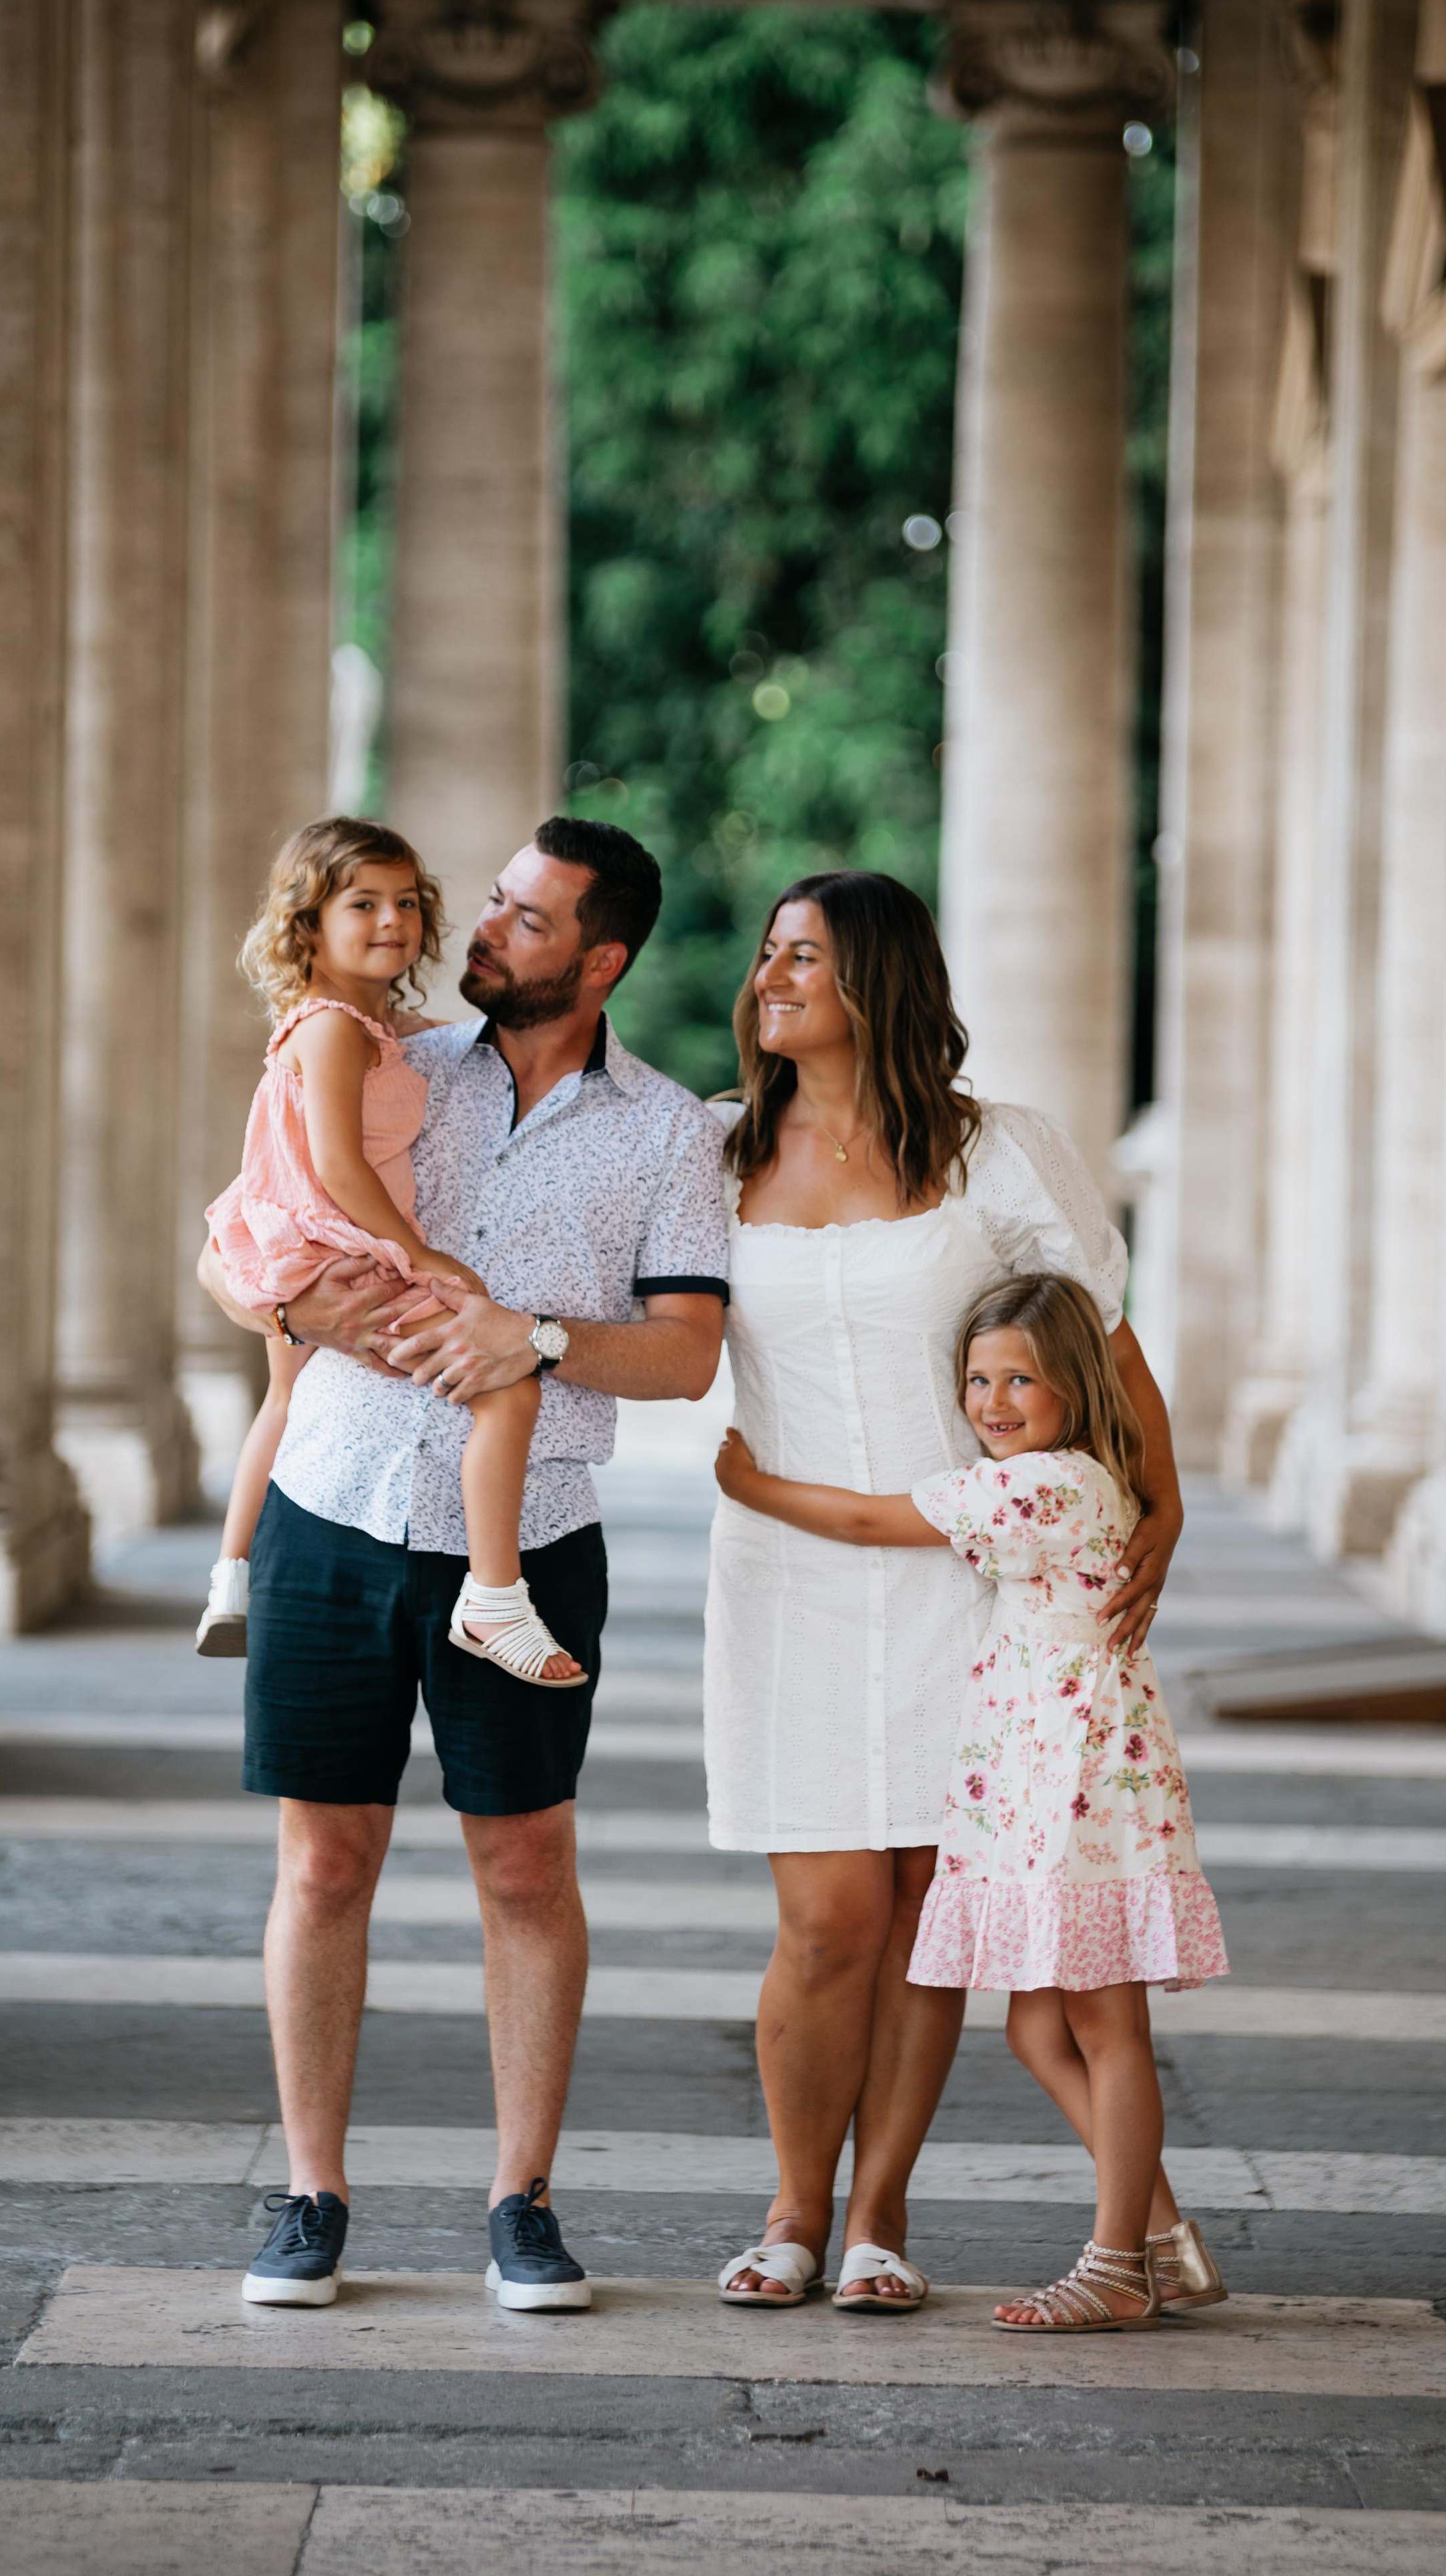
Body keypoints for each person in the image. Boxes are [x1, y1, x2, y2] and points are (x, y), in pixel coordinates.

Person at [196, 817, 728, 2312]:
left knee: (523, 1865)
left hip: (530, 1538)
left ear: (601, 958)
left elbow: (685, 1358)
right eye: (484, 905)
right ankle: (310, 2195)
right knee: (323, 1859)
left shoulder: (670, 1131)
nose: (480, 931)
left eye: (523, 917)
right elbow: (230, 1244)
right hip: (334, 1505)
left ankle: (521, 2201)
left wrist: (536, 1338)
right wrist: (324, 1315)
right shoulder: (383, 1058)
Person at [702, 871, 1183, 2316]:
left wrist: (1155, 1504)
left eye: (807, 956)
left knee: (924, 1905)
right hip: (787, 1573)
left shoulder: (993, 1151)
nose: (771, 975)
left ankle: (877, 2220)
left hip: (972, 1582)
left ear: (878, 985)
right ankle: (790, 2210)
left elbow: (1099, 1333)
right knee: (825, 1916)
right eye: (769, 952)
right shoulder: (713, 1156)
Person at [717, 1271, 1229, 2330]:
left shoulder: (1035, 1489)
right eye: (977, 1378)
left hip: (1078, 1783)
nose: (993, 1402)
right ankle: (1164, 2244)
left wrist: (749, 1484)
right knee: (1042, 2035)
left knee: (1105, 2026)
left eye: (1021, 1381)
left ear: (1076, 1390)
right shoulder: (1083, 1476)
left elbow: (865, 1522)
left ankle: (1116, 2267)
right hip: (1058, 1776)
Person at [198, 816, 581, 1688]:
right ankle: (493, 1598)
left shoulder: (374, 1028)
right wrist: (420, 1254)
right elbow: (337, 1161)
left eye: (406, 902)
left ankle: (232, 1578)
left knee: (288, 1396)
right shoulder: (333, 1030)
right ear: (309, 924)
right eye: (362, 903)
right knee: (509, 1384)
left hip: (296, 1240)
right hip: (342, 1246)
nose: (391, 920)